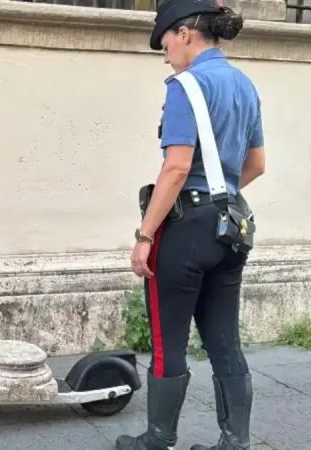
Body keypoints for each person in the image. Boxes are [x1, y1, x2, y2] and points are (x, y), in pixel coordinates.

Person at [117, 1, 265, 449]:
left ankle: (158, 440)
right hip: (230, 226)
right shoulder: (244, 84)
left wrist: (145, 234)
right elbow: (257, 164)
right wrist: (219, 195)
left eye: (164, 41)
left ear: (184, 34)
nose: (164, 53)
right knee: (224, 340)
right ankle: (234, 443)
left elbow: (176, 168)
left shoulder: (186, 85)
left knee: (168, 339)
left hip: (186, 230)